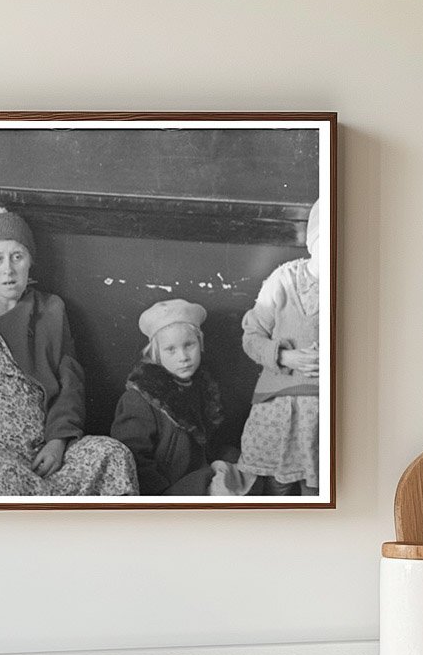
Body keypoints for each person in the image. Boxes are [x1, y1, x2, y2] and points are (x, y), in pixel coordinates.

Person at [0, 206, 137, 496]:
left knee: (113, 454)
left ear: (30, 261)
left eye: (17, 257)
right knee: (9, 481)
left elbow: (70, 381)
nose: (8, 269)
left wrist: (58, 440)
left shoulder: (50, 309)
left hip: (41, 446)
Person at [111, 299, 250, 496]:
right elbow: (132, 459)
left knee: (250, 471)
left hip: (201, 475)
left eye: (189, 345)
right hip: (168, 488)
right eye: (171, 349)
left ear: (199, 343)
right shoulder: (140, 398)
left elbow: (210, 445)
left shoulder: (202, 387)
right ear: (156, 353)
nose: (183, 356)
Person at [237, 199, 323, 495]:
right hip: (279, 406)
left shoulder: (353, 285)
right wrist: (286, 356)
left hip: (325, 412)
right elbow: (251, 337)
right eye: (326, 240)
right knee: (279, 489)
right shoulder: (284, 279)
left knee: (320, 493)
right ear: (313, 242)